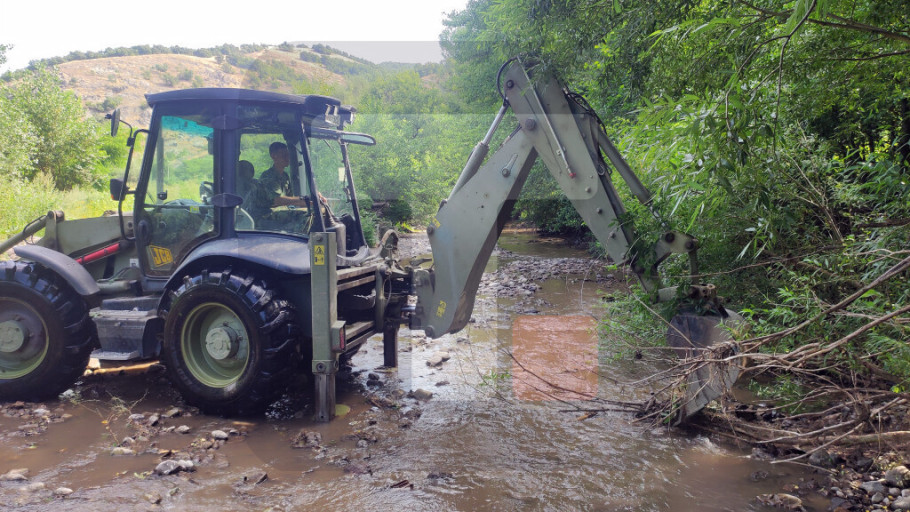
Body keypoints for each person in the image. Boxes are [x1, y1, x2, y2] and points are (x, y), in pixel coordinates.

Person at [246, 142, 311, 232]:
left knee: (313, 213)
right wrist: (305, 199)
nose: (287, 158)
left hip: (277, 213)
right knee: (305, 216)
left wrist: (312, 202)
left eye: (288, 154)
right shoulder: (268, 176)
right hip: (264, 215)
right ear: (273, 156)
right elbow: (277, 200)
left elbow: (290, 200)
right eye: (283, 155)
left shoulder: (285, 176)